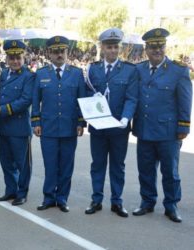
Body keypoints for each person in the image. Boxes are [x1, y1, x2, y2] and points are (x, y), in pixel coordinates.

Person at [132, 28, 192, 223]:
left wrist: (183, 127)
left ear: (165, 47)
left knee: (170, 172)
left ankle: (171, 205)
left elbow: (185, 101)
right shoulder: (138, 69)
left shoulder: (179, 70)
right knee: (145, 170)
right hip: (144, 130)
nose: (157, 50)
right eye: (153, 47)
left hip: (168, 133)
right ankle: (147, 202)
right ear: (146, 49)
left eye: (160, 46)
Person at [84, 28, 138, 218]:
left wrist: (126, 117)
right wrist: (93, 96)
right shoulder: (93, 69)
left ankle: (117, 201)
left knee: (117, 165)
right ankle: (96, 200)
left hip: (118, 128)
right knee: (97, 164)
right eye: (109, 47)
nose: (113, 50)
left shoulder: (129, 70)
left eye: (116, 47)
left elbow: (132, 98)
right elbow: (86, 92)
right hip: (98, 128)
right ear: (102, 48)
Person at [31, 36, 86, 212]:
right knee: (50, 165)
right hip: (48, 128)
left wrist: (80, 122)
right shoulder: (41, 74)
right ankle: (48, 197)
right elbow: (35, 100)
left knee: (66, 166)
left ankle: (62, 198)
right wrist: (36, 122)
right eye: (55, 51)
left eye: (62, 51)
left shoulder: (76, 74)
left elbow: (82, 100)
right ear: (49, 53)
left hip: (69, 128)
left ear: (67, 52)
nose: (59, 54)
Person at [0, 40, 34, 206]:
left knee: (22, 164)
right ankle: (10, 190)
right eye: (12, 58)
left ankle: (22, 193)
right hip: (4, 127)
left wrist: (3, 109)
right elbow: (4, 93)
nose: (15, 61)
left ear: (23, 57)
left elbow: (26, 100)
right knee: (6, 162)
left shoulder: (29, 76)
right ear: (7, 59)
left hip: (19, 127)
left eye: (18, 57)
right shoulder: (4, 74)